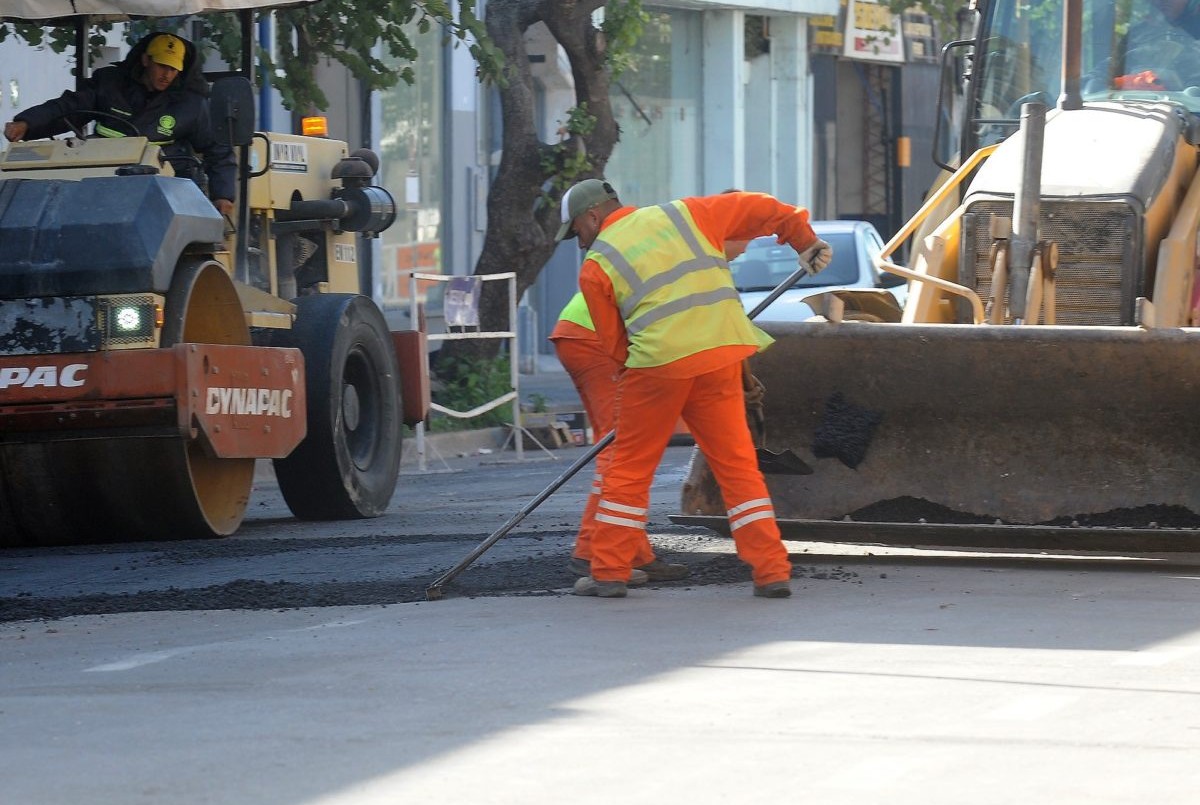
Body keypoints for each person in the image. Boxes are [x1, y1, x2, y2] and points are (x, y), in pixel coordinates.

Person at [555, 178, 832, 600]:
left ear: (593, 215)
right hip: (719, 357)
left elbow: (614, 345)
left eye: (577, 231)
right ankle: (771, 570)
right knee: (738, 467)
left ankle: (608, 572)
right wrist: (803, 239)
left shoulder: (596, 265)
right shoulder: (684, 214)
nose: (579, 241)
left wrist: (639, 379)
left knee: (629, 469)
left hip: (657, 367)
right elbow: (758, 206)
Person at [3, 32, 236, 218]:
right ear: (146, 60)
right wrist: (28, 123)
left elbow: (218, 149)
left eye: (174, 69)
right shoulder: (110, 84)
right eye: (162, 66)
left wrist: (223, 195)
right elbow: (69, 107)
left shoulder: (191, 104)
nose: (167, 74)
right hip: (100, 185)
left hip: (168, 195)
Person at [548, 291, 691, 584]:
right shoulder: (693, 260)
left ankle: (634, 554)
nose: (741, 250)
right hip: (595, 338)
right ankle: (590, 553)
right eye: (741, 242)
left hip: (586, 333)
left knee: (615, 444)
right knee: (620, 450)